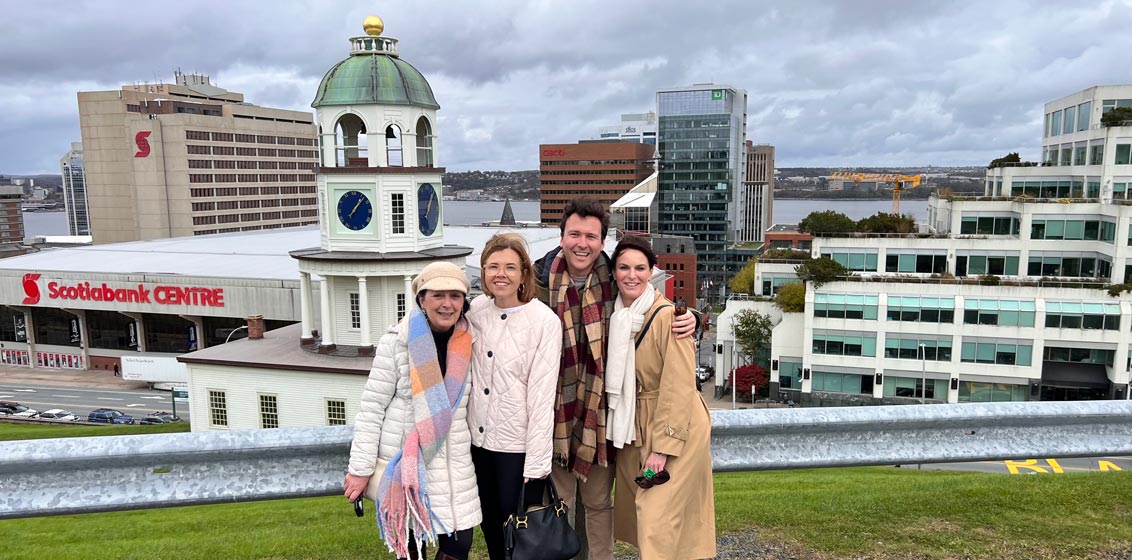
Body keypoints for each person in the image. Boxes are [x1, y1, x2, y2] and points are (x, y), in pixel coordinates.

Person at [533, 197, 697, 560]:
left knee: (597, 504)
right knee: (556, 504)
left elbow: (652, 307)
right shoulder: (538, 281)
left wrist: (693, 317)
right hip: (553, 413)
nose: (582, 243)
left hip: (600, 415)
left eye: (591, 236)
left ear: (602, 242)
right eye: (575, 234)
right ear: (561, 237)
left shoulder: (615, 279)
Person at [344, 262, 481, 560]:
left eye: (455, 296)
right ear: (422, 299)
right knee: (411, 551)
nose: (447, 304)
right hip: (408, 467)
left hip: (454, 466)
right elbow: (372, 408)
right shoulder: (397, 342)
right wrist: (360, 469)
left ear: (464, 301)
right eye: (438, 295)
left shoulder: (470, 341)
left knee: (459, 545)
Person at [608, 235, 715, 559]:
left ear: (651, 271)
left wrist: (663, 448)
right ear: (613, 272)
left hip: (675, 427)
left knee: (657, 518)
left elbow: (680, 385)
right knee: (650, 523)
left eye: (640, 268)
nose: (632, 275)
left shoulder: (671, 317)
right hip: (636, 426)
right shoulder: (618, 315)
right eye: (624, 267)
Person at [466, 233, 563, 560]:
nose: (501, 274)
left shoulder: (544, 322)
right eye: (493, 266)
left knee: (519, 536)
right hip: (477, 445)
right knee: (491, 529)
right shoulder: (476, 311)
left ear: (524, 273)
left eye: (510, 267)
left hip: (516, 450)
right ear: (483, 272)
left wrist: (537, 462)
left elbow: (542, 397)